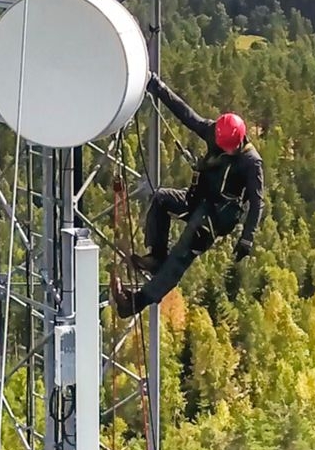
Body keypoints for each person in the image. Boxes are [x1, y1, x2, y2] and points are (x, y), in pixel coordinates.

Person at [113, 74, 265, 318]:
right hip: (198, 200)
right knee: (161, 199)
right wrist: (157, 87)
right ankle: (156, 257)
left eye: (229, 148)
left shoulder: (250, 162)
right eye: (223, 146)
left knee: (183, 249)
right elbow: (186, 114)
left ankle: (136, 302)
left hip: (217, 217)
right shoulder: (214, 133)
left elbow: (257, 202)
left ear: (239, 142)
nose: (225, 150)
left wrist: (247, 239)